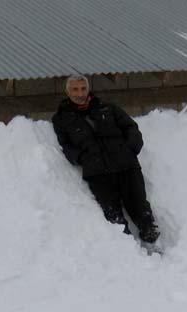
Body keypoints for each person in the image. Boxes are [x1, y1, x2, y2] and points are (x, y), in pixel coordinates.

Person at [52, 75, 160, 243]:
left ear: (88, 89)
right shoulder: (61, 119)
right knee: (113, 214)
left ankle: (152, 241)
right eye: (75, 89)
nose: (79, 93)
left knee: (139, 205)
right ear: (67, 91)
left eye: (83, 88)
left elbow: (130, 127)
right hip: (97, 172)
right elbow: (65, 145)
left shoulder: (108, 108)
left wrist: (131, 149)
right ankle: (127, 250)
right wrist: (82, 158)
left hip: (126, 165)